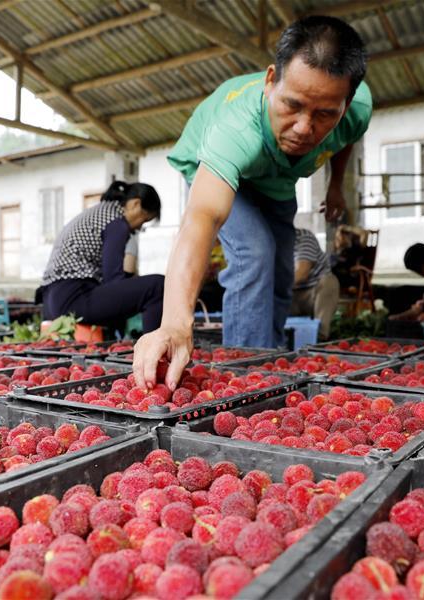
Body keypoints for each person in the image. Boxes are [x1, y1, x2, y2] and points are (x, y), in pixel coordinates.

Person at [134, 15, 371, 389]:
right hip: (219, 168)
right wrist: (175, 323)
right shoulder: (234, 130)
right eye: (292, 105)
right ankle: (247, 377)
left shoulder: (357, 111)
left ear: (347, 103)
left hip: (276, 181)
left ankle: (269, 358)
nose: (304, 128)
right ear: (270, 80)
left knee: (281, 271)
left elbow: (346, 139)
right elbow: (202, 218)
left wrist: (336, 185)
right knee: (254, 252)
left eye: (325, 114)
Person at [38, 180, 164, 332]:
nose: (139, 227)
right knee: (158, 286)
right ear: (135, 204)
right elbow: (113, 278)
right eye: (144, 220)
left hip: (52, 301)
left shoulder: (102, 211)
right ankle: (153, 351)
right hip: (73, 298)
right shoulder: (116, 222)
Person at [290, 228, 339, 340]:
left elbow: (302, 273)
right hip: (290, 295)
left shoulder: (303, 237)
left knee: (330, 282)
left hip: (313, 292)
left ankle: (319, 337)